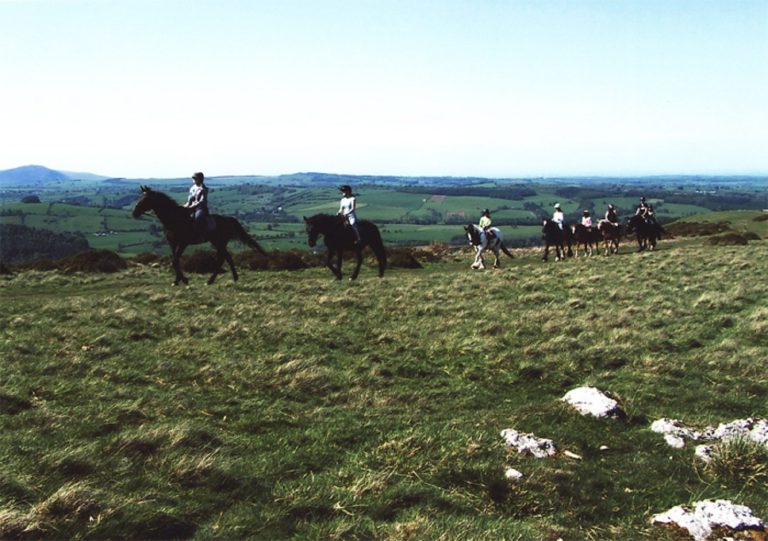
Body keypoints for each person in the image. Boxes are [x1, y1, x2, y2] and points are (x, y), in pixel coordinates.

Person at [183, 172, 209, 237]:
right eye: (193, 179)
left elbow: (201, 201)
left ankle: (201, 235)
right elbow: (189, 200)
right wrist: (186, 205)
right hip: (191, 207)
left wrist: (192, 206)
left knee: (198, 218)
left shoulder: (203, 189)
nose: (193, 180)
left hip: (200, 208)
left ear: (200, 179)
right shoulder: (192, 188)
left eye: (195, 178)